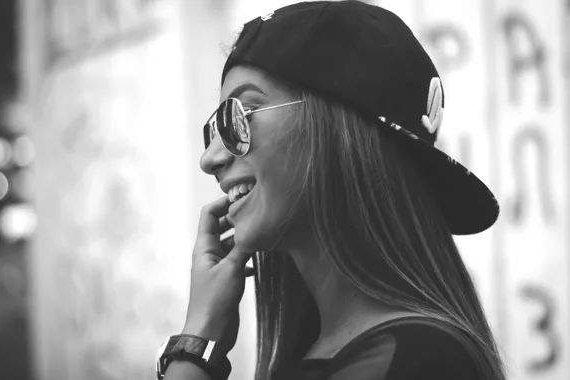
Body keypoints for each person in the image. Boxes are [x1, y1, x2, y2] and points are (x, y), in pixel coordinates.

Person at [156, 1, 507, 380]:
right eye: (214, 128)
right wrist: (200, 337)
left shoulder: (415, 361)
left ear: (336, 134)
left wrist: (195, 345)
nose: (210, 159)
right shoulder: (338, 355)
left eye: (238, 116)